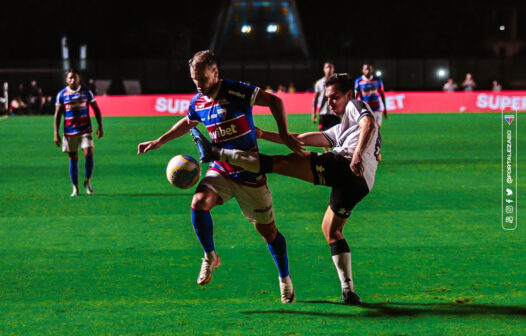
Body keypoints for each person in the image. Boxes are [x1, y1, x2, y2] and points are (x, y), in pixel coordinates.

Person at [192, 73, 379, 305]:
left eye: (335, 97)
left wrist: (358, 155)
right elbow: (300, 138)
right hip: (359, 185)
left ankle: (217, 153)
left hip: (345, 166)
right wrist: (263, 134)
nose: (330, 102)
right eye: (328, 98)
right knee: (331, 231)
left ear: (349, 95)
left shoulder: (355, 105)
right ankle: (348, 290)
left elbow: (369, 124)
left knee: (279, 164)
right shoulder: (342, 129)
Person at [137, 50, 303, 303]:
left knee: (268, 233)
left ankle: (284, 278)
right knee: (198, 204)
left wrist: (286, 135)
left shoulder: (236, 91)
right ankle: (210, 256)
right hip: (221, 170)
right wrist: (159, 141)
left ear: (216, 72)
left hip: (250, 174)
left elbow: (275, 102)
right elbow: (188, 121)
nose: (199, 85)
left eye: (203, 79)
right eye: (195, 80)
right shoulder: (197, 102)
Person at [54, 69, 104, 197]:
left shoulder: (87, 92)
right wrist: (56, 133)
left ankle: (87, 181)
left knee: (89, 154)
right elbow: (57, 115)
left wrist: (100, 126)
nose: (72, 80)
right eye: (70, 78)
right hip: (70, 132)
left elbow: (96, 110)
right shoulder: (62, 94)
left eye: (75, 78)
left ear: (79, 78)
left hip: (85, 130)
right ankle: (75, 188)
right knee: (73, 160)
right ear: (66, 80)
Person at [355, 64, 386, 160]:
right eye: (366, 69)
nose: (367, 71)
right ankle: (365, 152)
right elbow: (356, 96)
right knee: (365, 131)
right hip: (366, 110)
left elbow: (382, 93)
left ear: (372, 70)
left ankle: (377, 152)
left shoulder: (377, 80)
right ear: (362, 70)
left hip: (377, 109)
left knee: (377, 130)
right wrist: (356, 109)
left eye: (369, 69)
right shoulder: (358, 81)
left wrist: (385, 109)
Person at [312, 61, 340, 152]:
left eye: (330, 67)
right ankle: (327, 152)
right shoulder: (319, 83)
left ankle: (335, 152)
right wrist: (314, 113)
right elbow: (315, 99)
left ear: (333, 69)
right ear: (324, 69)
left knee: (337, 134)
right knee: (322, 133)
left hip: (335, 112)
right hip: (323, 113)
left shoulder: (338, 82)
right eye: (327, 67)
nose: (329, 69)